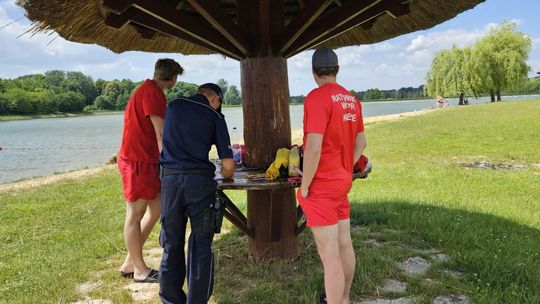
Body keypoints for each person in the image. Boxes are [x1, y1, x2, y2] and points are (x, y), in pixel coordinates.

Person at [297, 46, 367, 304]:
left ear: (314, 72)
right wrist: (346, 167)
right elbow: (362, 143)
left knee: (329, 255)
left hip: (322, 186)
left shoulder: (316, 98)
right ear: (337, 70)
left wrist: (305, 186)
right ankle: (344, 298)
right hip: (341, 183)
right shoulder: (351, 99)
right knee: (344, 245)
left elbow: (313, 147)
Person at [159, 83, 235, 304]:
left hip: (170, 181)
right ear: (216, 99)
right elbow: (228, 165)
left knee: (171, 243)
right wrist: (225, 173)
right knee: (201, 244)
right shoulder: (215, 116)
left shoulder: (172, 106)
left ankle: (171, 300)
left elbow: (165, 136)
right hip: (199, 184)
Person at [117, 58, 184, 283]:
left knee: (157, 210)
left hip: (148, 161)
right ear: (173, 77)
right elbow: (160, 133)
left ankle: (130, 262)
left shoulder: (148, 89)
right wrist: (172, 162)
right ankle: (140, 270)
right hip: (138, 161)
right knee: (135, 214)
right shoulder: (153, 92)